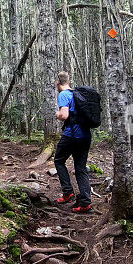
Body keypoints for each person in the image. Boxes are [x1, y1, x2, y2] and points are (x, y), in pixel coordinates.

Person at [53, 71, 93, 213]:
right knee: (81, 168)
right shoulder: (77, 94)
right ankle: (85, 202)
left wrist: (57, 114)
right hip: (85, 135)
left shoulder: (63, 95)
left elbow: (64, 115)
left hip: (72, 135)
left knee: (58, 160)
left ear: (58, 83)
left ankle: (68, 192)